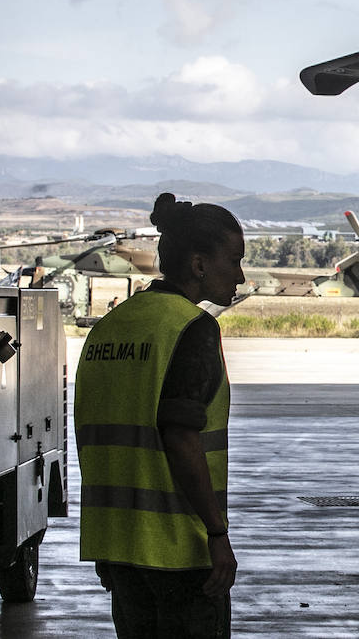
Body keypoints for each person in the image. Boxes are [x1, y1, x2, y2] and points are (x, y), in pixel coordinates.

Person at [74, 192, 245, 638]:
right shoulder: (191, 328)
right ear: (199, 264)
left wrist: (107, 549)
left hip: (118, 548)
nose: (241, 275)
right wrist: (216, 533)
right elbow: (181, 437)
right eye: (234, 260)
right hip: (180, 551)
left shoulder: (110, 327)